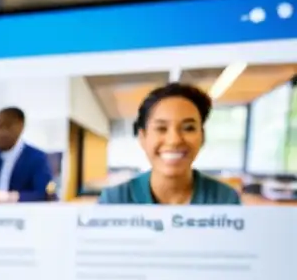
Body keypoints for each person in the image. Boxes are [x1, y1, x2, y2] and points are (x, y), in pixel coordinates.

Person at [98, 83, 241, 205]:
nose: (174, 140)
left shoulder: (225, 199)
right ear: (142, 137)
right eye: (161, 128)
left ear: (202, 137)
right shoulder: (114, 201)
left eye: (188, 128)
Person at [0, 107, 56, 202]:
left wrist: (11, 197)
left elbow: (42, 194)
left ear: (20, 127)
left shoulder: (36, 158)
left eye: (7, 126)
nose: (1, 132)